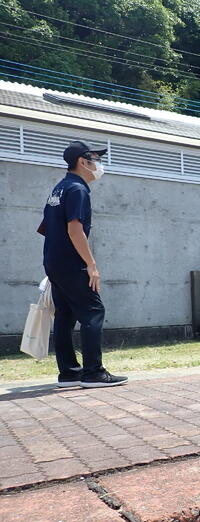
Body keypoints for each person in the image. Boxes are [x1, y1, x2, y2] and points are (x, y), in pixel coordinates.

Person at [39, 141, 127, 388]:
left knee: (65, 315)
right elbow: (75, 229)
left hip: (54, 260)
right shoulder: (78, 189)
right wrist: (91, 264)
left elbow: (46, 227)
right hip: (72, 262)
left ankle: (68, 373)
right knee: (93, 312)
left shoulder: (58, 189)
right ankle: (93, 373)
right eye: (95, 158)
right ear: (82, 161)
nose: (98, 164)